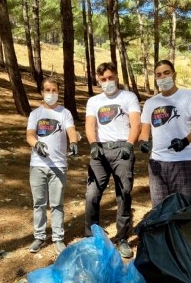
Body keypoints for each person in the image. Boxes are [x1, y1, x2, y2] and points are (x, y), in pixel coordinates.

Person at [85, 62, 141, 259]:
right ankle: (91, 235)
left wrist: (129, 144)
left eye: (110, 78)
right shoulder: (93, 101)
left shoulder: (128, 97)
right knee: (92, 193)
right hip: (100, 151)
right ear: (98, 81)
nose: (107, 82)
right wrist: (93, 145)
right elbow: (90, 125)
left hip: (122, 150)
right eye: (103, 79)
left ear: (116, 76)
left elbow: (136, 123)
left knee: (124, 193)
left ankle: (122, 237)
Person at [139, 59, 191, 207]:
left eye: (166, 73)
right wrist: (143, 142)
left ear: (174, 75)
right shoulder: (151, 103)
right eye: (158, 75)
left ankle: (184, 231)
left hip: (184, 161)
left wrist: (185, 141)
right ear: (155, 79)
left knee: (184, 208)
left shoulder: (188, 96)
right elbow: (144, 131)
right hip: (157, 162)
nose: (163, 77)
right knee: (159, 209)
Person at [26, 77, 78, 255]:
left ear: (58, 92)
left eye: (54, 90)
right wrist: (36, 144)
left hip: (58, 166)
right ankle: (39, 237)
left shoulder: (65, 113)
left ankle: (58, 238)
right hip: (38, 165)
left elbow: (71, 130)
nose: (51, 93)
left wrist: (73, 142)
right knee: (39, 203)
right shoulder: (35, 114)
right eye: (47, 90)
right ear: (42, 92)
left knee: (57, 204)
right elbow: (30, 135)